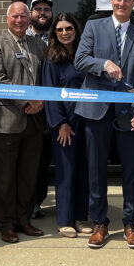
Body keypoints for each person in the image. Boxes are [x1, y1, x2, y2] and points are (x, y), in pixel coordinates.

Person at [74, 0, 134, 249]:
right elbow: (80, 59)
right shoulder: (94, 27)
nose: (122, 3)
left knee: (132, 170)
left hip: (128, 114)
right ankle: (99, 223)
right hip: (96, 112)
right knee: (96, 170)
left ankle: (131, 223)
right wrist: (103, 64)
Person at [0, 2, 48, 244]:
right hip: (6, 122)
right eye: (15, 16)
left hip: (35, 122)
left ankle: (24, 219)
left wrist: (40, 101)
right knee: (5, 177)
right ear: (7, 18)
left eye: (23, 16)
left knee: (28, 175)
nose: (20, 20)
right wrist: (27, 102)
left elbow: (45, 77)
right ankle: (6, 224)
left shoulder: (38, 45)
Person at [42, 13, 92, 238]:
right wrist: (60, 123)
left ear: (76, 30)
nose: (64, 33)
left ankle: (81, 217)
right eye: (60, 30)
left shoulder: (85, 55)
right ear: (54, 33)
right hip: (66, 124)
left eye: (68, 28)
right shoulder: (52, 59)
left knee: (84, 170)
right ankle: (64, 220)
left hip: (87, 122)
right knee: (67, 172)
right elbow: (51, 95)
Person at [26, 0, 54, 219]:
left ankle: (39, 200)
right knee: (30, 160)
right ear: (30, 13)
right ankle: (29, 202)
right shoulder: (22, 38)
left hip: (54, 110)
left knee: (45, 160)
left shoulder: (58, 37)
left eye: (46, 9)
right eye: (38, 9)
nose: (42, 13)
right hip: (30, 109)